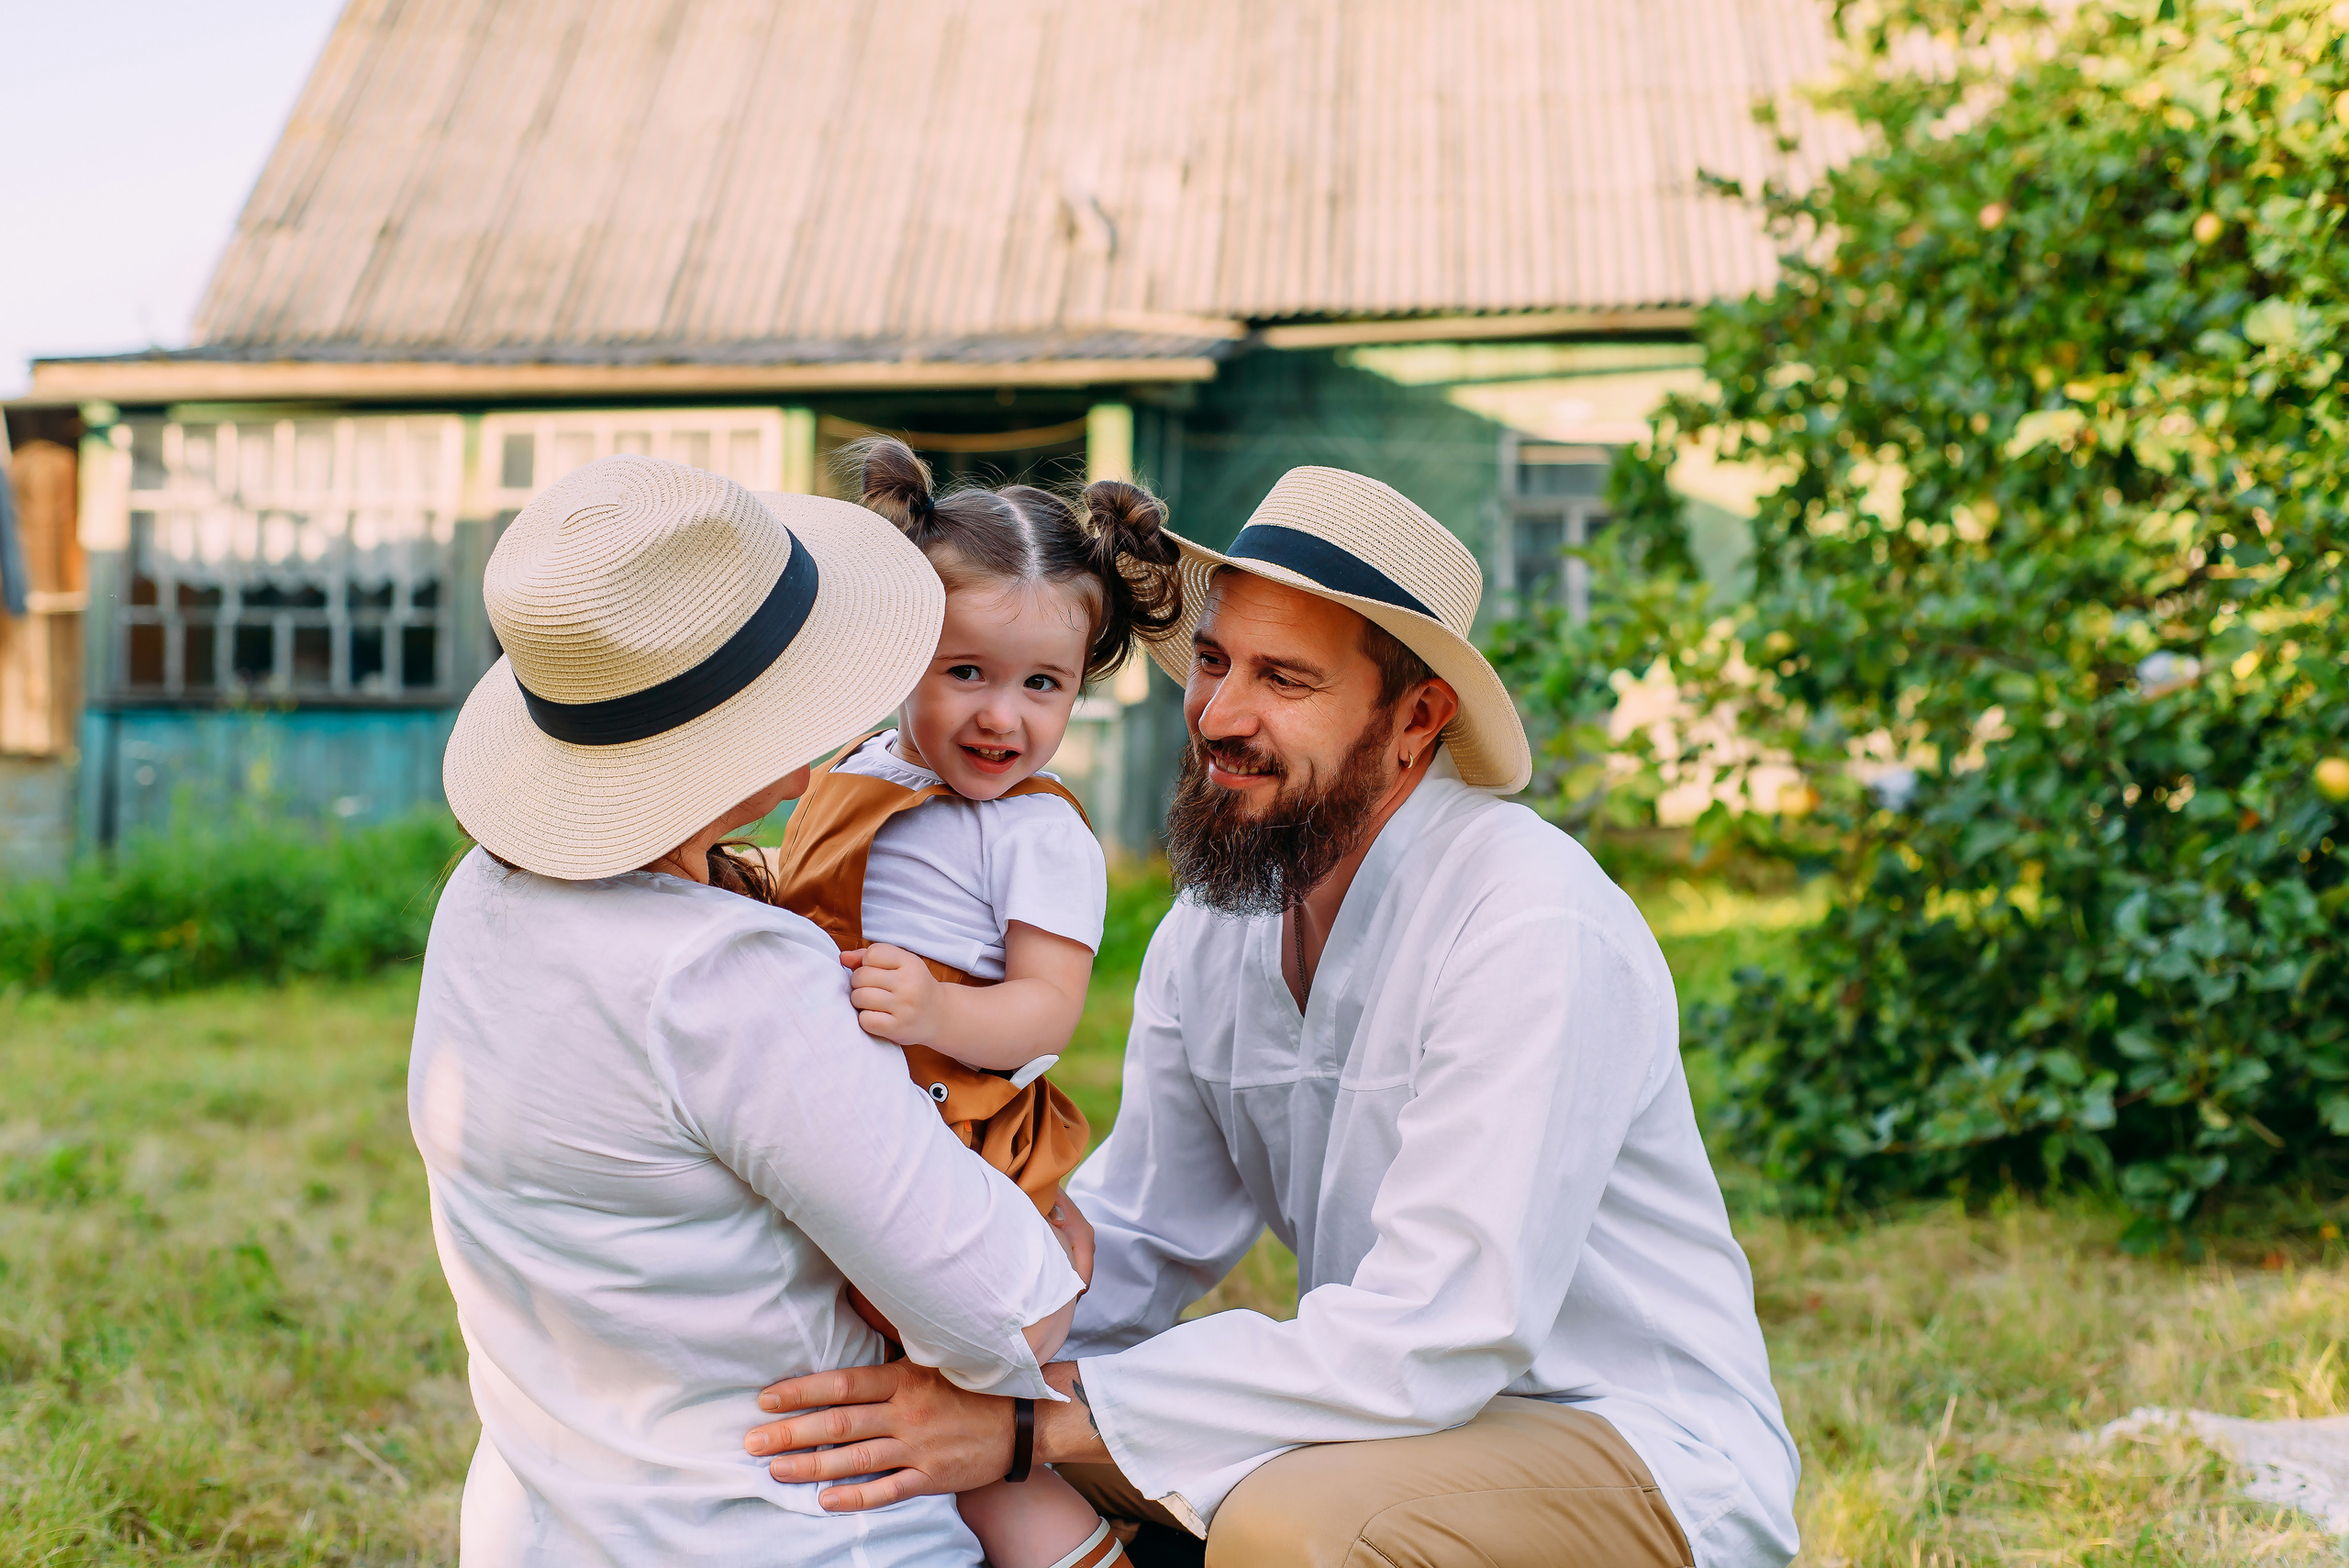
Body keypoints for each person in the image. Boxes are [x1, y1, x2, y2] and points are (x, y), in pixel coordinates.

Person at [743, 467, 1800, 1567]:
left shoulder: (1528, 919)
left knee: (1284, 1526)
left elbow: (1442, 1328)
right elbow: (1146, 1234)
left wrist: (1024, 1422)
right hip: (1387, 1419)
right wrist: (969, 1338)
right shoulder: (1218, 921)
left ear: (1417, 716)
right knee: (951, 1472)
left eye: (1283, 678)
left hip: (1620, 1440)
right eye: (1212, 660)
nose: (1219, 714)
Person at [409, 454, 1086, 1565]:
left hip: (551, 1520)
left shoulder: (478, 900)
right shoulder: (729, 977)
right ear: (766, 744)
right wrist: (1061, 1233)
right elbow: (999, 1322)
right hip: (775, 1530)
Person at [769, 436, 1180, 1568]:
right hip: (857, 1098)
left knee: (975, 1439)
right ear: (902, 655)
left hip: (955, 1127)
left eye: (1040, 683)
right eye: (967, 673)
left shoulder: (1035, 832)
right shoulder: (859, 762)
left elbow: (1047, 1013)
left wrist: (941, 1011)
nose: (1003, 715)